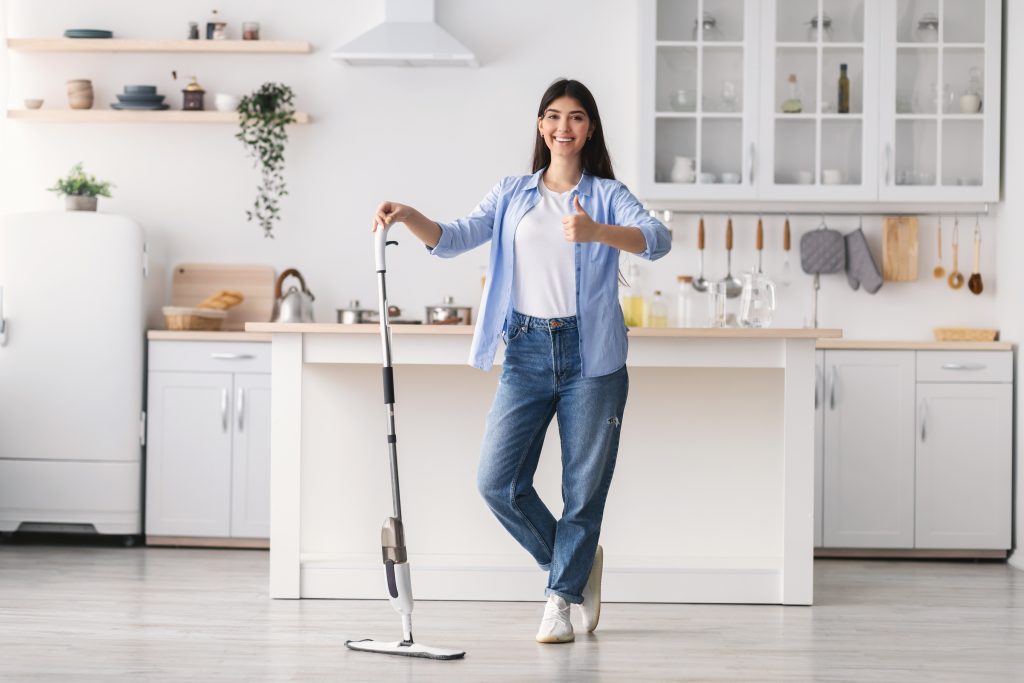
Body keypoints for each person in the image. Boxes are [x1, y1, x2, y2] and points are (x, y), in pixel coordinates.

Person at [372, 78, 671, 644]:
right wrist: (410, 215)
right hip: (527, 350)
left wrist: (598, 232)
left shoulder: (607, 194)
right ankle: (575, 567)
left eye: (576, 117)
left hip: (594, 355)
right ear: (541, 126)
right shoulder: (511, 193)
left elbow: (658, 239)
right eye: (554, 116)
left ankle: (560, 599)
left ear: (589, 128)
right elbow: (458, 236)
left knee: (583, 491)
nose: (564, 127)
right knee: (497, 482)